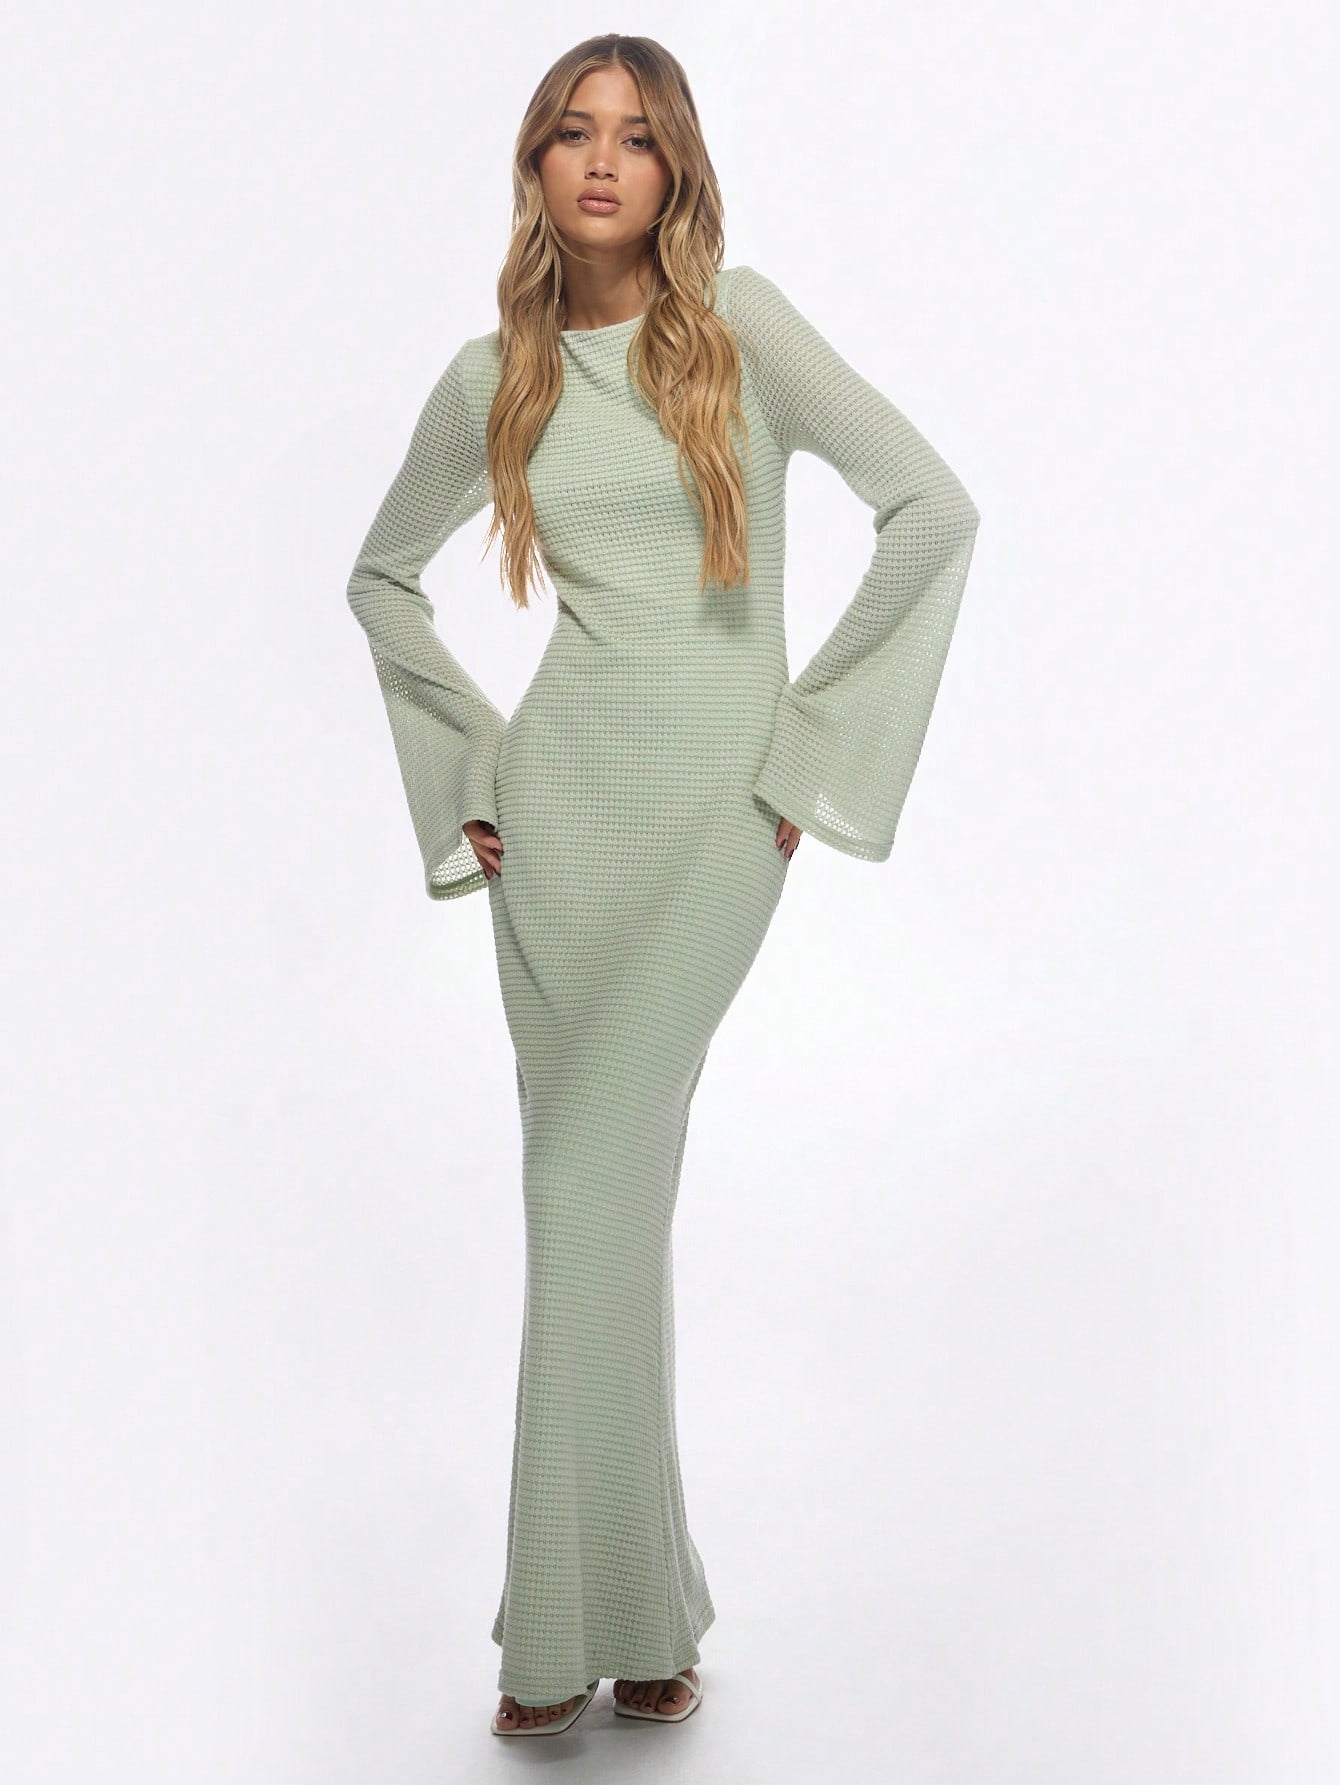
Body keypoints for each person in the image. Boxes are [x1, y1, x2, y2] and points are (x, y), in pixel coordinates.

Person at [345, 32, 981, 1739]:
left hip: (715, 827)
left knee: (576, 1190)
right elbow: (380, 579)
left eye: (635, 136)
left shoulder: (742, 330)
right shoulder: (491, 380)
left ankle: (559, 1632)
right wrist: (472, 765)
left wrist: (807, 755)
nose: (604, 160)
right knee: (600, 1216)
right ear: (537, 167)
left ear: (676, 166)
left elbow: (933, 510)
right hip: (558, 825)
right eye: (573, 133)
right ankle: (644, 1618)